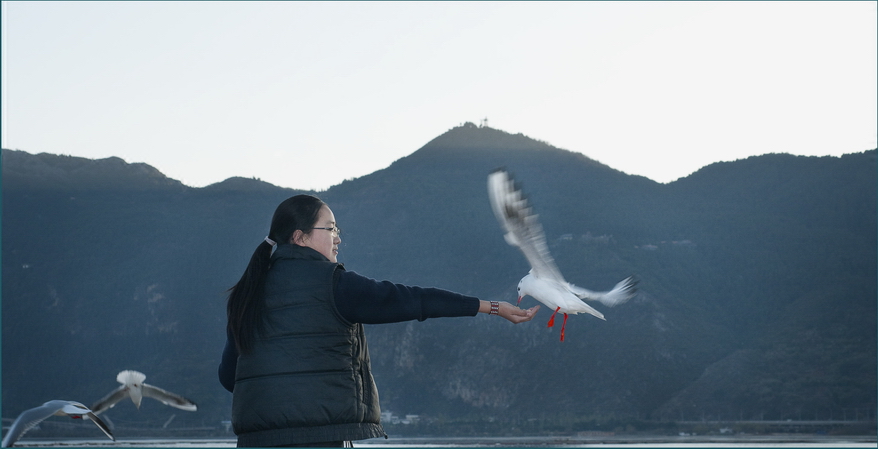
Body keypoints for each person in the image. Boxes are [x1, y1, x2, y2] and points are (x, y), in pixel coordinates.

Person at [218, 194, 539, 447]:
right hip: (321, 438)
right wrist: (490, 306)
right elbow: (413, 300)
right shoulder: (333, 284)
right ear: (300, 237)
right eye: (330, 229)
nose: (337, 238)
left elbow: (229, 377)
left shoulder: (247, 293)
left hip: (256, 442)